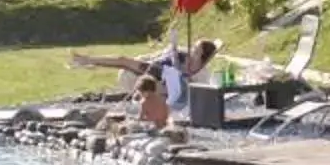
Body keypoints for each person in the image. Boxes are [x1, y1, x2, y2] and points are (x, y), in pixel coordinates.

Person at [71, 38, 219, 128]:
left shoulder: (202, 72)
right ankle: (87, 60)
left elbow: (195, 93)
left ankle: (86, 61)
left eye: (196, 48)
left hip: (163, 80)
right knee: (123, 61)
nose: (192, 48)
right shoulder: (183, 55)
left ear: (201, 54)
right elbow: (164, 58)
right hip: (157, 69)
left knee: (125, 63)